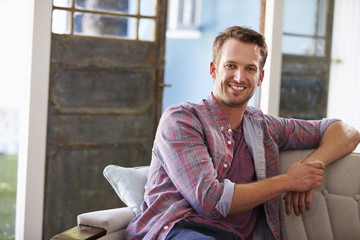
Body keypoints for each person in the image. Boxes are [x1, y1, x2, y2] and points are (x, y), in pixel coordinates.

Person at [126, 26, 360, 240]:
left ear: (260, 77)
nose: (239, 77)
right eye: (231, 66)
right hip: (181, 230)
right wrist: (289, 180)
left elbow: (346, 132)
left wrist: (310, 168)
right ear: (213, 69)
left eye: (250, 68)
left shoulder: (265, 126)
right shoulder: (182, 119)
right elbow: (211, 201)